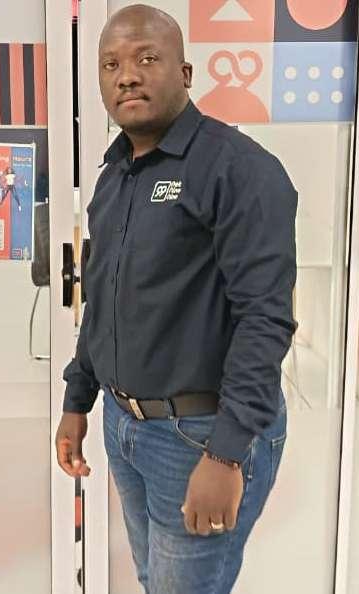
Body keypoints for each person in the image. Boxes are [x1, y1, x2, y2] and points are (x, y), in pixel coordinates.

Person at [55, 5, 298, 594]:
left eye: (146, 58)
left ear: (185, 73)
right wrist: (78, 400)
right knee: (155, 580)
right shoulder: (115, 176)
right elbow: (103, 300)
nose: (126, 76)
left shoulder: (238, 170)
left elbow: (264, 320)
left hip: (200, 436)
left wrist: (227, 454)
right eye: (110, 64)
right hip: (125, 427)